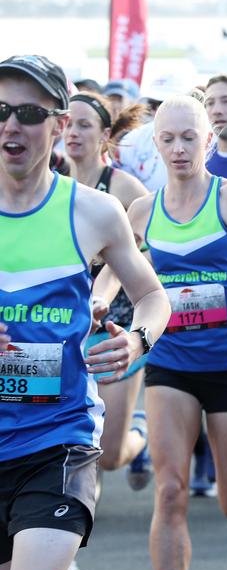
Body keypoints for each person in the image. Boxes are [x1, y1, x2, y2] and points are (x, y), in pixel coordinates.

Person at [0, 53, 170, 570]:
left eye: (27, 113)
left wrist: (137, 341)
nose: (10, 127)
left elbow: (153, 297)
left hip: (59, 439)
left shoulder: (91, 212)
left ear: (58, 124)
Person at [113, 95, 227, 570]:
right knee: (170, 490)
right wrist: (100, 305)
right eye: (167, 139)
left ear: (209, 138)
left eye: (188, 138)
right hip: (170, 362)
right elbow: (113, 273)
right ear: (157, 144)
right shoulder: (141, 213)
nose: (178, 149)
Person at [65, 91, 152, 489]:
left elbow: (149, 259)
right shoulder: (47, 183)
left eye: (85, 125)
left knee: (113, 455)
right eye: (68, 122)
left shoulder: (124, 189)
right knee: (75, 440)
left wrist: (105, 288)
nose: (73, 132)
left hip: (112, 327)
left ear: (104, 136)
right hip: (63, 325)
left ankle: (142, 432)